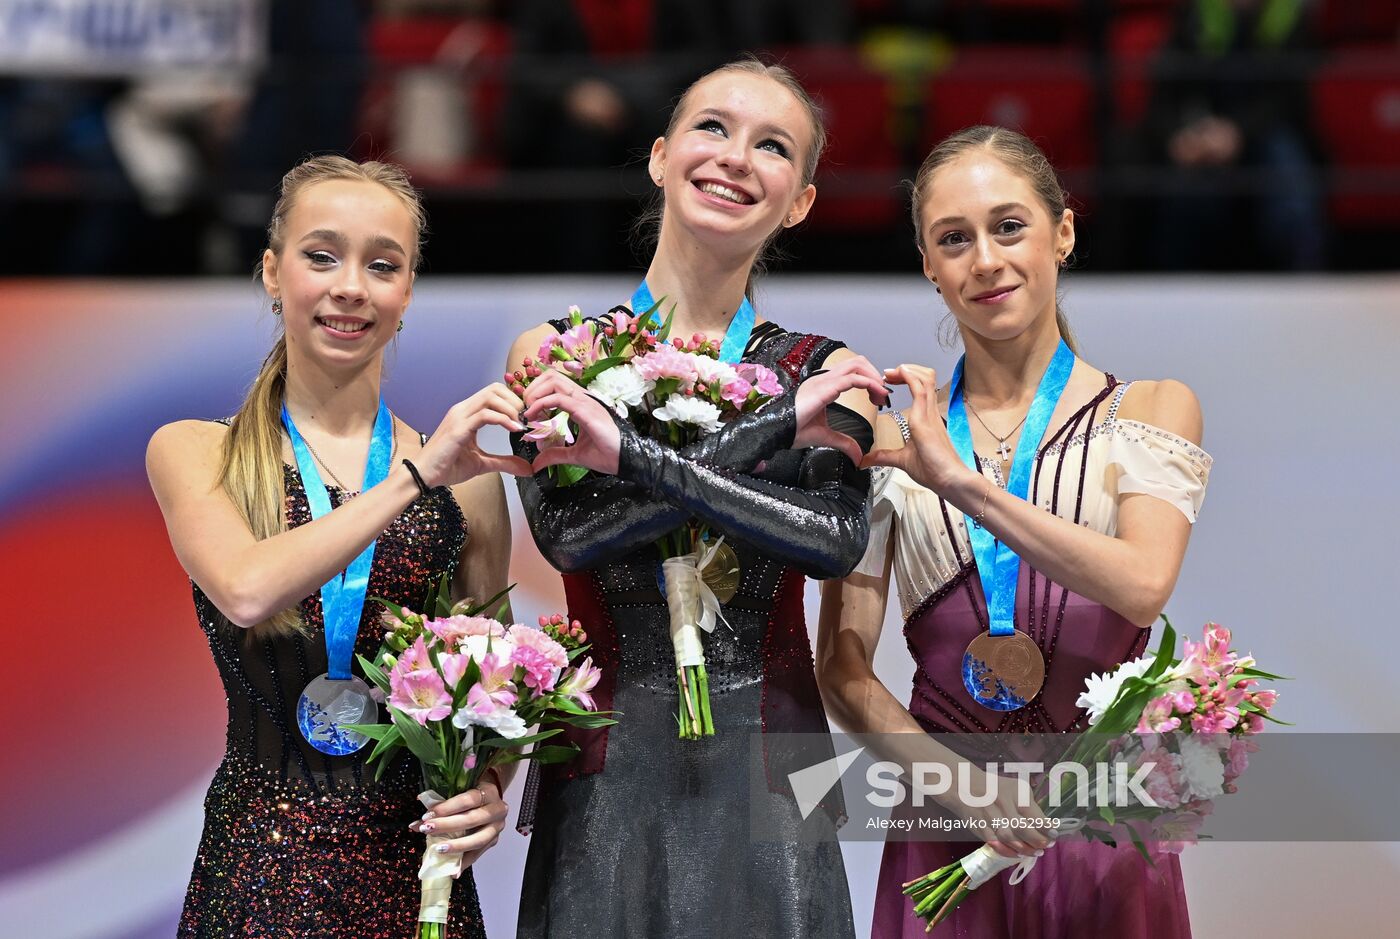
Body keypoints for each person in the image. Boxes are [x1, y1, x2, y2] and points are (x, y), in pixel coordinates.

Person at [504, 58, 887, 938]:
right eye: (712, 127)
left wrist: (628, 452)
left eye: (773, 146)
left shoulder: (830, 370)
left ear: (800, 202)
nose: (736, 157)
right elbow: (572, 534)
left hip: (773, 762)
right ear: (659, 155)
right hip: (605, 766)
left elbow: (832, 541)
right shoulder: (559, 350)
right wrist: (774, 427)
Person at [817, 125, 1212, 938]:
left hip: (1103, 823)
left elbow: (1143, 581)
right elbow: (841, 666)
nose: (985, 260)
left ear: (1062, 232)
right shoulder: (886, 443)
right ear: (928, 265)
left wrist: (960, 483)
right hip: (946, 831)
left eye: (1009, 226)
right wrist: (963, 787)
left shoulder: (1149, 410)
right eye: (953, 239)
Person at [147, 155, 529, 938]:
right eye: (322, 256)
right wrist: (413, 477)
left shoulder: (469, 489)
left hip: (416, 869)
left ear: (407, 292)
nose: (350, 285)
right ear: (272, 273)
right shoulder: (195, 452)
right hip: (257, 866)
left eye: (381, 264)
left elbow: (497, 689)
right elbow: (248, 588)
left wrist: (490, 785)